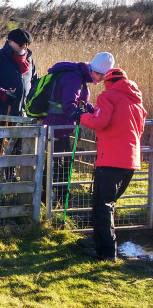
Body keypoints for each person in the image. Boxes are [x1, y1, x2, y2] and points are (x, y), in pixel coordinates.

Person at [72, 68, 147, 261]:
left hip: (111, 159)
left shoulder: (108, 96)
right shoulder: (137, 102)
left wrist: (81, 116)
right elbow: (139, 130)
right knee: (109, 204)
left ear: (109, 82)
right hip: (130, 161)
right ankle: (100, 243)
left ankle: (105, 252)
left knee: (102, 205)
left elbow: (101, 122)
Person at [41, 52, 113, 203]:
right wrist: (82, 116)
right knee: (58, 164)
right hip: (56, 127)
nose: (101, 80)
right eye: (101, 76)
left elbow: (78, 102)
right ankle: (49, 198)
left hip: (60, 126)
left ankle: (56, 198)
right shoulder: (74, 77)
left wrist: (94, 110)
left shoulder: (79, 76)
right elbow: (69, 104)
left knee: (60, 163)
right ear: (95, 71)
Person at [0, 28, 37, 120]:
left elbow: (34, 84)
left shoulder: (29, 61)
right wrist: (2, 94)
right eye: (21, 44)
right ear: (10, 42)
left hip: (22, 117)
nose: (24, 47)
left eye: (27, 44)